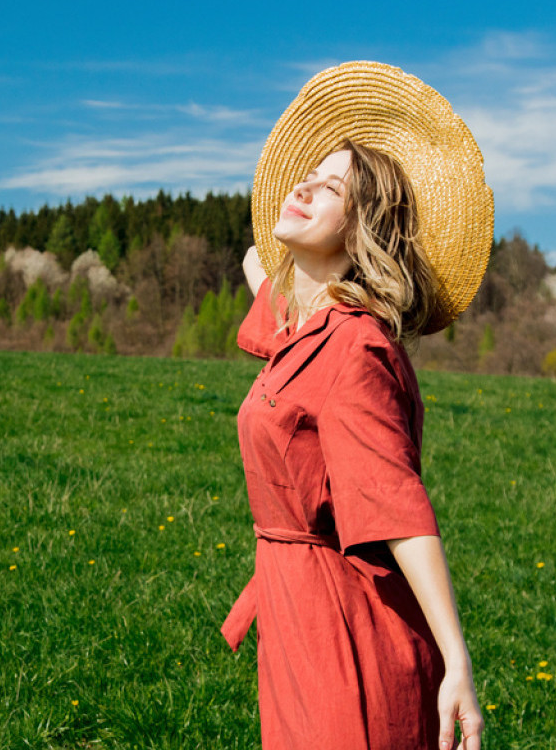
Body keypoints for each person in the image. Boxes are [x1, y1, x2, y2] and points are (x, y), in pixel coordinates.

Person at [221, 62, 493, 750]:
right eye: (306, 175)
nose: (304, 187)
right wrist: (284, 256)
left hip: (345, 637)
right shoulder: (304, 329)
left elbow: (397, 508)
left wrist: (457, 661)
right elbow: (259, 270)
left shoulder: (354, 349)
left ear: (362, 228)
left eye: (332, 188)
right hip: (295, 620)